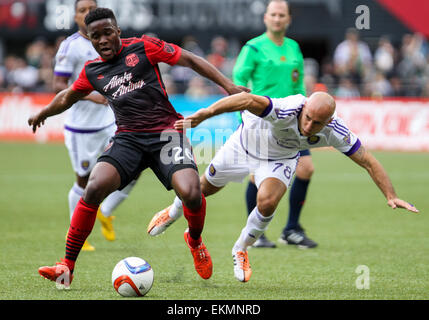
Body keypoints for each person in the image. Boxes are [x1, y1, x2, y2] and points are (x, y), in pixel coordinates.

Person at [29, 7, 246, 287]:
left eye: (108, 33)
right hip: (128, 139)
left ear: (117, 31)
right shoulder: (93, 71)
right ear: (90, 39)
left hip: (167, 132)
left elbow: (190, 60)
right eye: (96, 37)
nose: (103, 40)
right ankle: (66, 267)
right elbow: (68, 96)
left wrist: (228, 86)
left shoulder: (144, 47)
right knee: (94, 187)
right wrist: (44, 113)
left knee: (191, 192)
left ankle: (194, 240)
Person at [147, 91, 419, 282]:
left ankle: (240, 249)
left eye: (318, 123)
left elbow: (368, 160)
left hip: (279, 160)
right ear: (305, 108)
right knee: (203, 188)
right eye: (309, 117)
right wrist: (204, 115)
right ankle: (172, 212)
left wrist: (390, 194)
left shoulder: (335, 131)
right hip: (244, 145)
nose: (310, 125)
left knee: (267, 201)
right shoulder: (286, 108)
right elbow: (246, 99)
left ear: (329, 122)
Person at [53, 0, 136, 251]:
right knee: (84, 181)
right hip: (82, 128)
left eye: (92, 9)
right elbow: (58, 86)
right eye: (82, 10)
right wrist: (91, 94)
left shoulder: (111, 43)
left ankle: (106, 211)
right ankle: (78, 233)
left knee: (134, 167)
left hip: (111, 122)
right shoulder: (71, 47)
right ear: (76, 16)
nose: (87, 13)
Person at [233, 0, 316, 248]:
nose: (277, 18)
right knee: (256, 178)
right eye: (273, 14)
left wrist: (305, 113)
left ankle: (291, 229)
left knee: (306, 168)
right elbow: (238, 79)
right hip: (261, 120)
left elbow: (298, 85)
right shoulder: (253, 48)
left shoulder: (294, 48)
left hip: (291, 120)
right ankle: (257, 235)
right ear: (265, 18)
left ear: (288, 19)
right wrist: (244, 114)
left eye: (282, 15)